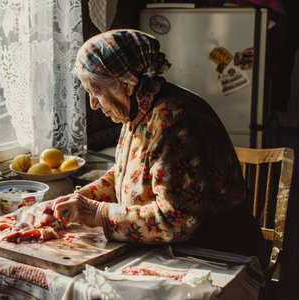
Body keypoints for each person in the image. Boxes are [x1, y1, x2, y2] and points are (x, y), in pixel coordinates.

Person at [51, 29, 267, 266]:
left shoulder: (176, 122)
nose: (93, 104)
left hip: (218, 254)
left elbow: (175, 221)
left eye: (96, 92)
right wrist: (78, 200)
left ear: (125, 85)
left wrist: (95, 213)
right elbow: (123, 176)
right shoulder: (137, 111)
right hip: (169, 249)